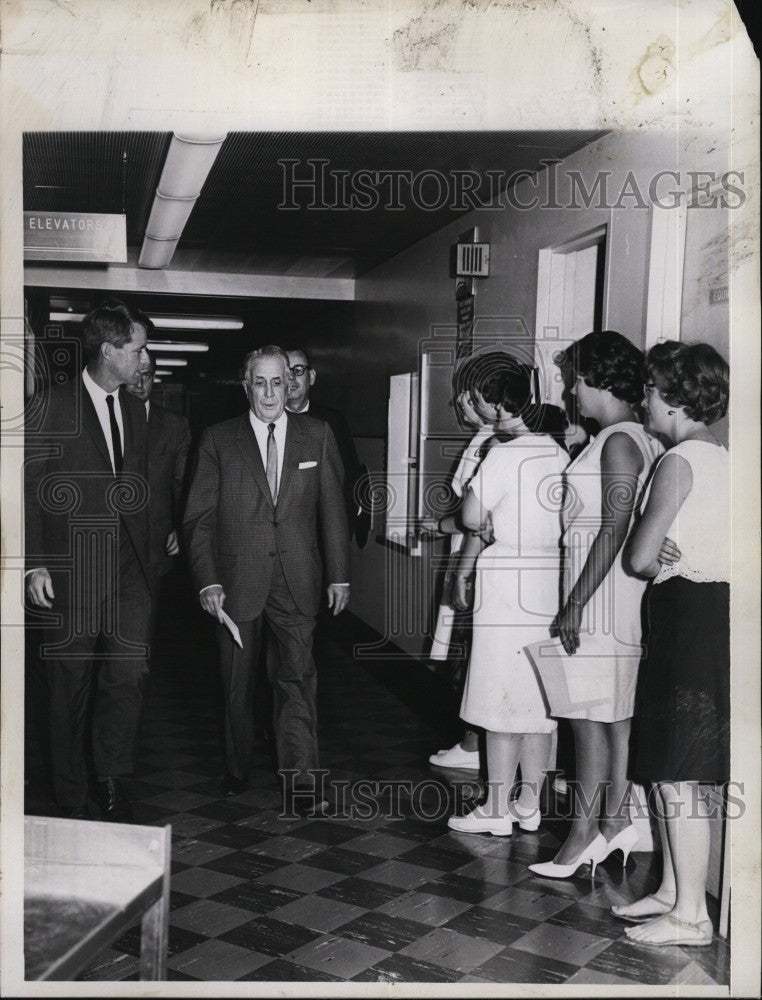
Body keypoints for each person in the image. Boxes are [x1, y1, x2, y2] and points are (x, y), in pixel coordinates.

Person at [183, 345, 350, 815]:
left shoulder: (316, 436)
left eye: (280, 382)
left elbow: (333, 510)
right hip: (237, 581)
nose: (272, 392)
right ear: (246, 386)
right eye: (261, 382)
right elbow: (198, 519)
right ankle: (237, 768)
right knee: (236, 683)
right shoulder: (219, 439)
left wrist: (340, 574)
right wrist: (208, 581)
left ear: (291, 384)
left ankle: (301, 782)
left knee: (297, 680)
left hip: (298, 578)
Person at [529, 331, 663, 878]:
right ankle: (612, 823)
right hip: (611, 590)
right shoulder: (632, 437)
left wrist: (575, 603)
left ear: (598, 379)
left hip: (601, 594)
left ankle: (583, 834)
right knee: (611, 718)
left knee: (585, 717)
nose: (570, 392)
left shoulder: (619, 441)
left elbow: (613, 527)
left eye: (574, 380)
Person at [612, 342, 729, 948]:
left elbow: (636, 557)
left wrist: (647, 539)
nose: (645, 401)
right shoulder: (725, 459)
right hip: (710, 615)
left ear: (675, 399)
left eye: (652, 391)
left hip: (686, 616)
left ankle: (691, 916)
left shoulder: (678, 461)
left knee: (678, 772)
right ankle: (670, 889)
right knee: (669, 765)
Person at [25, 299, 152, 822]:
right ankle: (70, 792)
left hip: (128, 574)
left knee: (126, 680)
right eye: (138, 349)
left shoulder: (137, 409)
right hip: (71, 574)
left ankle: (111, 780)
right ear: (109, 350)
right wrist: (33, 563)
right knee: (68, 688)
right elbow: (26, 488)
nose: (145, 360)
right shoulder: (51, 405)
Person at [447, 359, 569, 835]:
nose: (478, 408)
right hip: (550, 576)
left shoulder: (503, 455)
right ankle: (529, 803)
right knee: (539, 697)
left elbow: (470, 518)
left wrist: (488, 521)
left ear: (499, 405)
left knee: (498, 691)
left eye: (481, 400)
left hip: (508, 576)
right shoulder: (556, 452)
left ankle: (496, 809)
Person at [421, 351, 507, 771]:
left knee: (474, 653)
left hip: (480, 562)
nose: (463, 405)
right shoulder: (486, 440)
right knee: (467, 651)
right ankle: (472, 742)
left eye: (469, 397)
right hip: (469, 555)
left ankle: (475, 746)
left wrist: (441, 524)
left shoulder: (497, 444)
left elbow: (478, 516)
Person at [126, 348, 192, 630]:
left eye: (147, 376)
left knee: (139, 639)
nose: (140, 385)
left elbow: (183, 485)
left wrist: (181, 527)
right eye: (133, 376)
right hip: (100, 551)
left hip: (153, 551)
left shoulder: (174, 426)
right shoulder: (96, 421)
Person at [285, 347, 362, 536]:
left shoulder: (333, 422)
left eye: (298, 370)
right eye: (285, 372)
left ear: (311, 377)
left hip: (322, 534)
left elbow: (350, 477)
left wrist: (343, 527)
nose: (291, 378)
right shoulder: (265, 424)